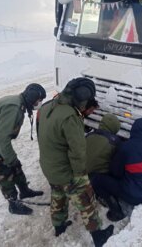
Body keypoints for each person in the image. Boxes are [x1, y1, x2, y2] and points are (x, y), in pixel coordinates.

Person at [37, 77, 113, 247]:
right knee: (86, 200)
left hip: (48, 166)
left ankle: (59, 226)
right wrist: (81, 177)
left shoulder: (48, 106)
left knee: (58, 195)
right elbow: (78, 151)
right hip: (65, 170)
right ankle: (98, 235)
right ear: (81, 97)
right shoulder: (71, 116)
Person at [0, 83, 46, 215]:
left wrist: (13, 161)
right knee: (4, 172)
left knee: (15, 165)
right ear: (31, 98)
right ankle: (13, 204)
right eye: (39, 101)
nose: (39, 103)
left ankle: (24, 191)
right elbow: (2, 139)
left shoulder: (19, 103)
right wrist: (10, 160)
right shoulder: (14, 107)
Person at [91, 118, 142, 221]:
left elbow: (116, 172)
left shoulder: (125, 147)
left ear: (132, 131)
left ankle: (116, 211)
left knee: (97, 179)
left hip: (133, 196)